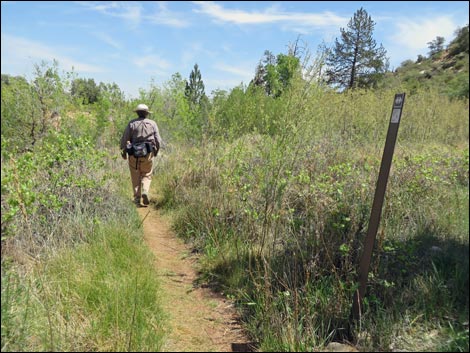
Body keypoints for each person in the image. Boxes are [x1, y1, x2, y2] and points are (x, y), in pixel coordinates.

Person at [120, 103, 163, 206]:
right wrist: (155, 151)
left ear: (137, 113)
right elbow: (158, 140)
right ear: (147, 113)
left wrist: (123, 151)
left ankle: (137, 198)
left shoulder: (131, 123)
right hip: (148, 153)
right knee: (147, 174)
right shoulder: (152, 124)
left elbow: (125, 139)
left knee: (135, 175)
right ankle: (145, 191)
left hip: (133, 154)